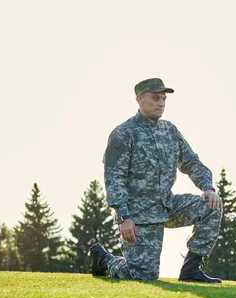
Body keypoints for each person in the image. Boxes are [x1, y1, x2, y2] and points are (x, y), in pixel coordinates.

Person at [89, 78, 223, 283]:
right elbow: (114, 177)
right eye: (155, 98)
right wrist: (124, 217)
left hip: (167, 205)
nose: (161, 103)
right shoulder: (123, 134)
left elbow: (191, 162)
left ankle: (190, 270)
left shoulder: (170, 130)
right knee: (143, 276)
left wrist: (208, 187)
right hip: (138, 215)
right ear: (139, 100)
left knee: (212, 205)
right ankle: (105, 260)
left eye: (163, 99)